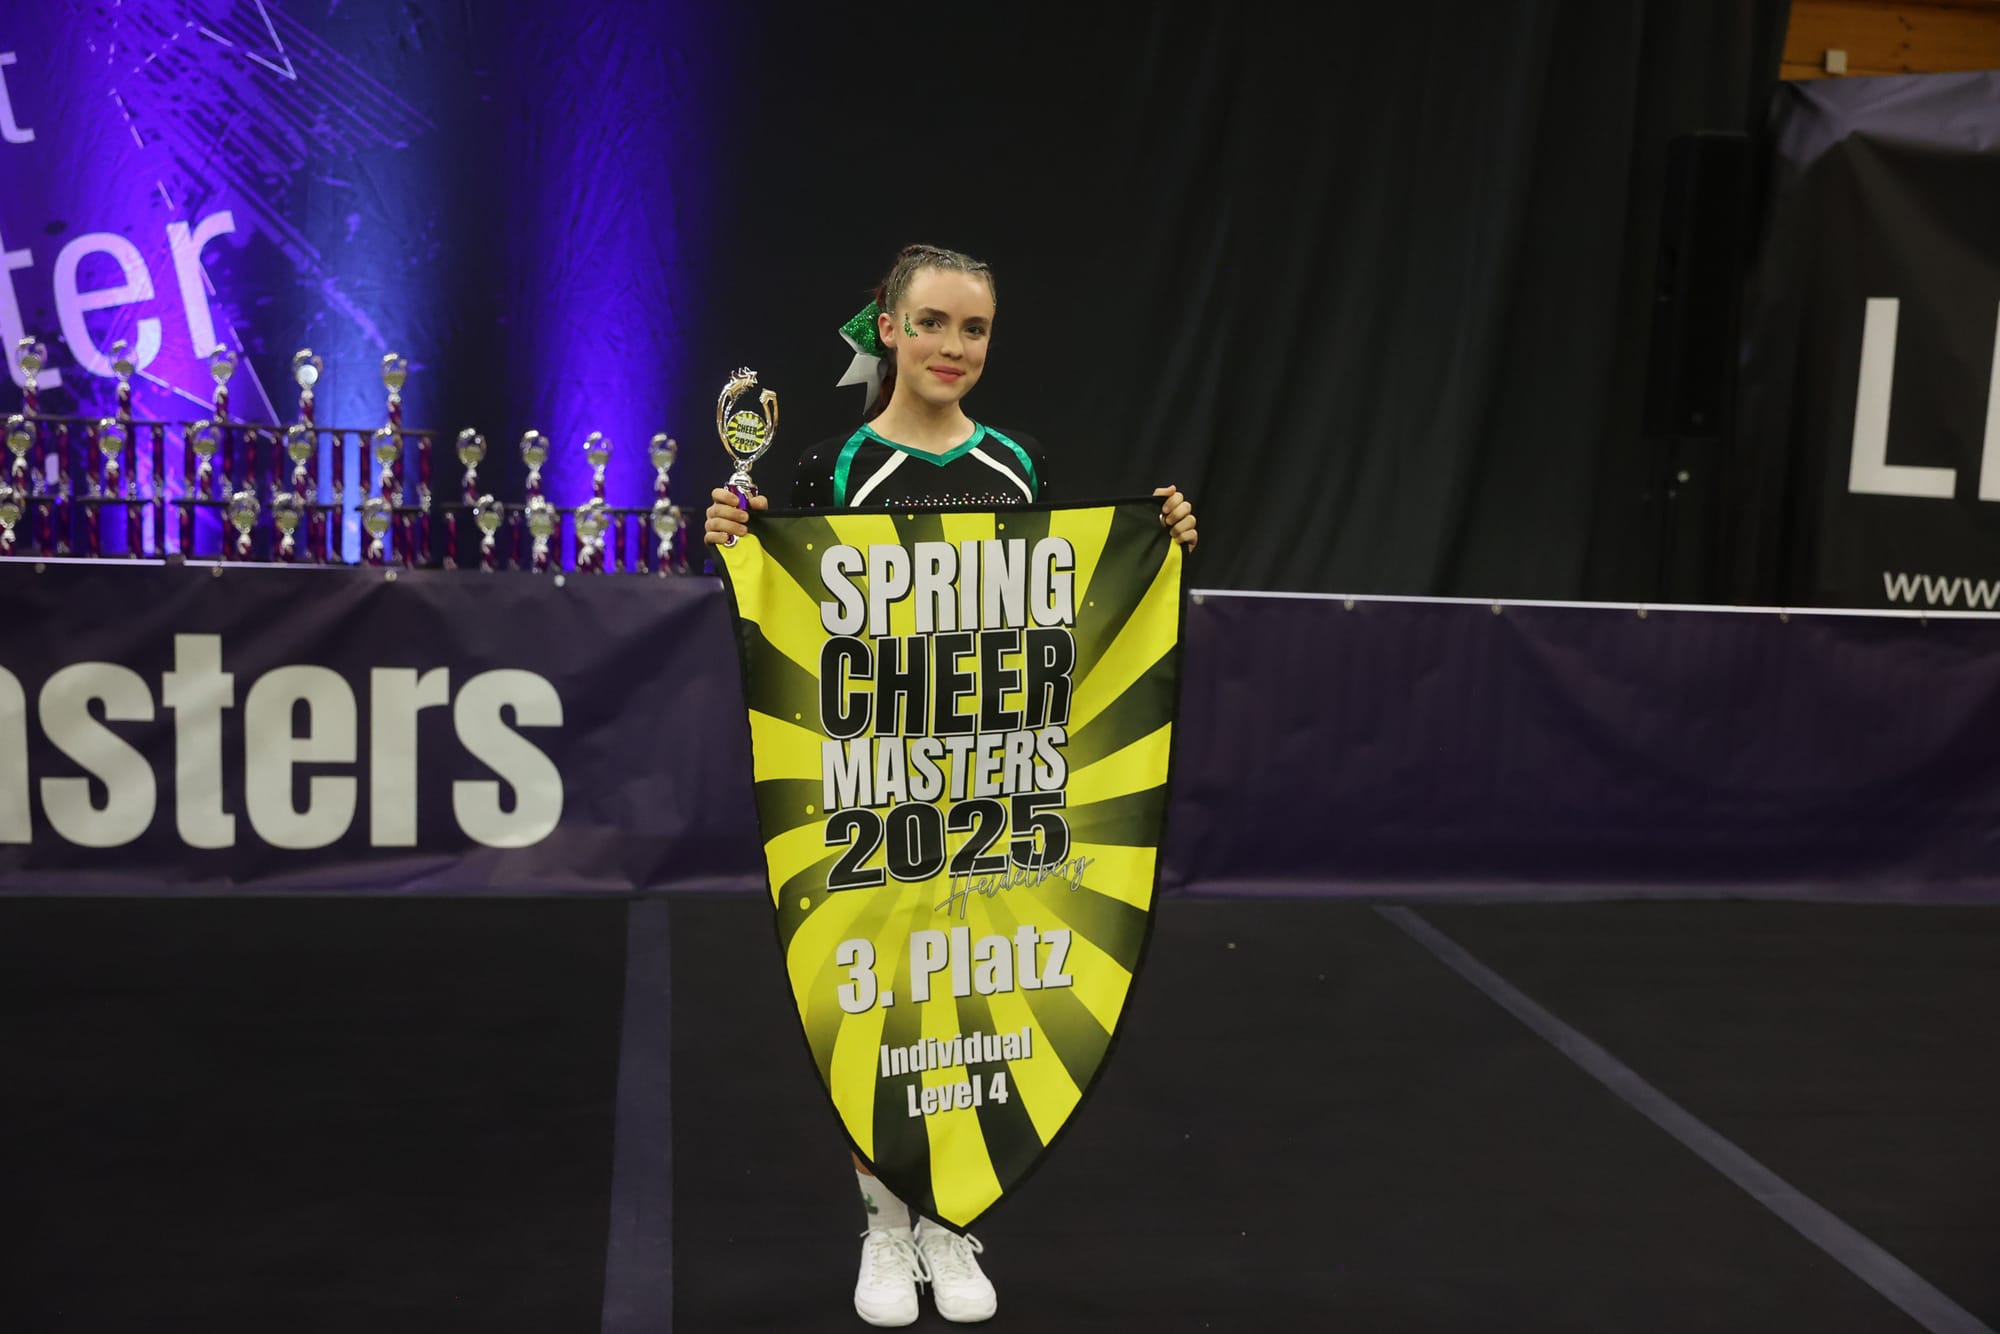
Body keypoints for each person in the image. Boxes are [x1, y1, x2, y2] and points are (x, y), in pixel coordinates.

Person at [704, 244, 1197, 1327]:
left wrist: (1157, 545)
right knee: (879, 1008)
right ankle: (885, 1222)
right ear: (887, 328)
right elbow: (795, 611)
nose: (951, 347)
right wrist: (737, 541)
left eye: (973, 329)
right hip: (875, 793)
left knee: (975, 998)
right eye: (930, 322)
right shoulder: (833, 468)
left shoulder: (1018, 463)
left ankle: (948, 1219)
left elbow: (1055, 605)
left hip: (990, 794)